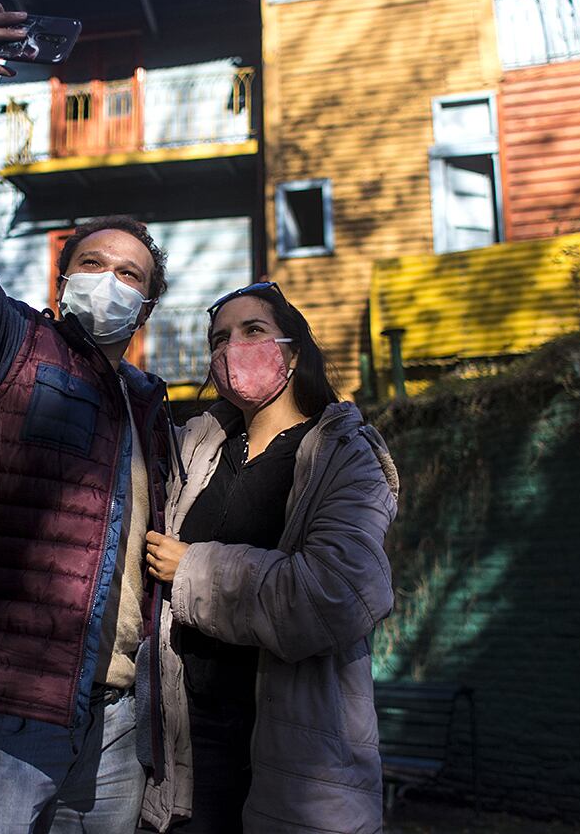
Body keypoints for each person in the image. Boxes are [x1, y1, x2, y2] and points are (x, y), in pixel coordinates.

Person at [0, 0, 176, 833]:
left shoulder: (147, 407)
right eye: (92, 262)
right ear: (63, 279)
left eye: (130, 274)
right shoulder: (7, 346)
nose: (109, 279)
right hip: (5, 698)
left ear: (147, 306)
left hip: (119, 711)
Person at [141, 282, 399, 834]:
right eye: (219, 338)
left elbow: (333, 596)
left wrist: (193, 569)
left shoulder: (344, 457)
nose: (233, 348)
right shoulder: (194, 452)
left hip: (296, 753)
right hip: (187, 749)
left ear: (295, 349)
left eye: (253, 330)